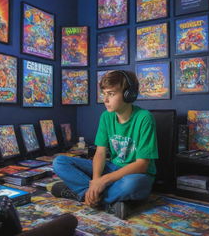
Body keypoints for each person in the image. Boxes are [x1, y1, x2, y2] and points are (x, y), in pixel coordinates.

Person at [52, 70, 158, 219]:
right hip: (112, 168)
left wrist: (104, 180)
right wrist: (96, 180)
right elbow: (100, 153)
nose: (105, 100)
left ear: (129, 94)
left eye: (111, 94)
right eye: (104, 94)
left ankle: (82, 194)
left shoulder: (144, 118)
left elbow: (142, 165)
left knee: (131, 184)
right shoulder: (106, 117)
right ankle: (106, 199)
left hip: (136, 174)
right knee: (60, 162)